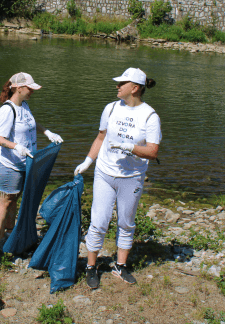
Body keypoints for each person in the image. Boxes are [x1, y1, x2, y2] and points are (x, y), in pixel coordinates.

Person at [74, 67, 161, 289]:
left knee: (126, 222)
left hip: (131, 178)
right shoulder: (110, 108)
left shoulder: (150, 116)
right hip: (104, 173)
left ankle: (120, 266)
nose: (117, 86)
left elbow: (152, 151)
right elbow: (100, 137)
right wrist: (87, 161)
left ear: (134, 88)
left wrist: (129, 147)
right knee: (99, 221)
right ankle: (91, 267)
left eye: (122, 83)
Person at [0, 72, 63, 250]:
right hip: (10, 164)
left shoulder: (24, 105)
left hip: (25, 163)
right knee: (6, 199)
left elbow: (31, 123)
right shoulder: (7, 110)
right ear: (18, 88)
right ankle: (0, 238)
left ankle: (10, 231)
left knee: (14, 199)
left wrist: (47, 132)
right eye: (29, 88)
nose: (32, 91)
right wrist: (16, 146)